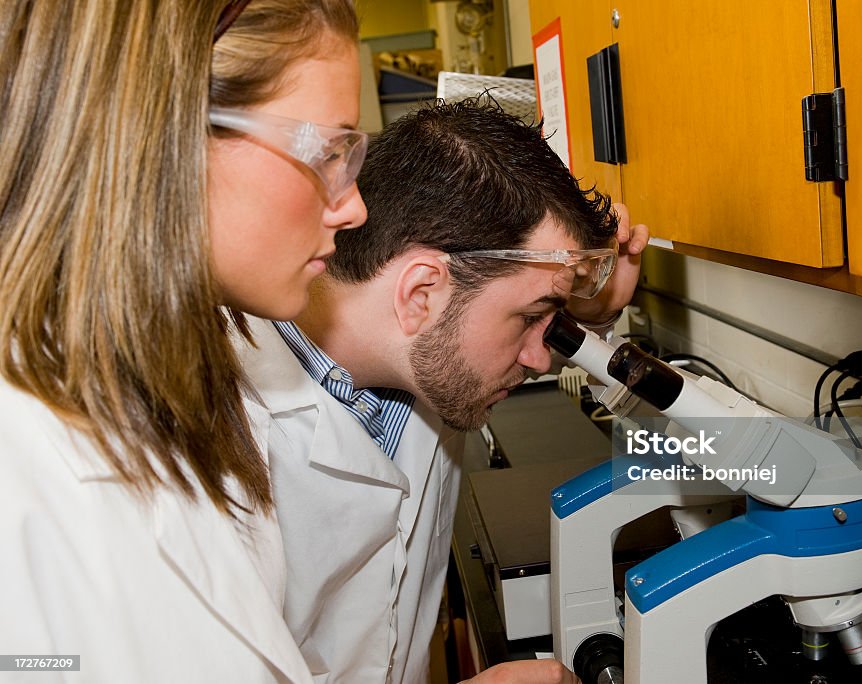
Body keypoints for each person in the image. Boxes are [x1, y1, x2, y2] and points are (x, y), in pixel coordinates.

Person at [0, 1, 365, 681]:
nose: (353, 204)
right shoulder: (18, 474)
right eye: (325, 150)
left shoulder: (196, 392)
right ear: (163, 138)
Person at [237, 98, 648, 683]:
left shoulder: (415, 354)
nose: (538, 359)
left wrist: (587, 309)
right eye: (530, 316)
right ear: (420, 292)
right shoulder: (227, 436)